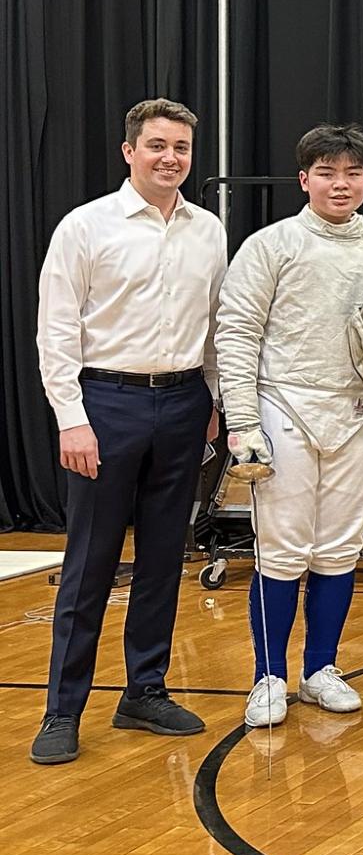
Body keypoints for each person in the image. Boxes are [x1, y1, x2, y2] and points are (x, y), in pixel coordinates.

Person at [31, 99, 227, 766]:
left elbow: (213, 324)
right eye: (156, 146)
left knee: (165, 556)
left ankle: (144, 688)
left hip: (180, 402)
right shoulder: (85, 227)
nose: (169, 157)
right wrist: (71, 416)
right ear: (129, 151)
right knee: (89, 563)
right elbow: (55, 329)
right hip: (106, 401)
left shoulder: (207, 229)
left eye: (180, 147)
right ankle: (62, 709)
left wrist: (212, 399)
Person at [216, 124, 363, 727]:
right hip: (283, 408)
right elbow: (236, 333)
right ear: (304, 178)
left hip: (355, 411)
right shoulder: (271, 245)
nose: (342, 184)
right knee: (282, 551)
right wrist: (243, 421)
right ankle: (268, 676)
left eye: (353, 173)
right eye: (328, 172)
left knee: (339, 550)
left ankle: (320, 669)